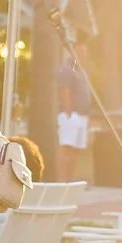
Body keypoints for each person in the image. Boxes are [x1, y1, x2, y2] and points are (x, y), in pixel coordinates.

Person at [55, 42, 92, 183]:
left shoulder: (83, 70)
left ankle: (69, 180)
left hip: (82, 115)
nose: (82, 54)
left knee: (75, 150)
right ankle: (61, 181)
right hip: (70, 114)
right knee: (66, 147)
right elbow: (65, 91)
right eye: (79, 51)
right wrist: (68, 111)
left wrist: (88, 115)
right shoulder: (66, 69)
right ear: (73, 52)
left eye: (84, 51)